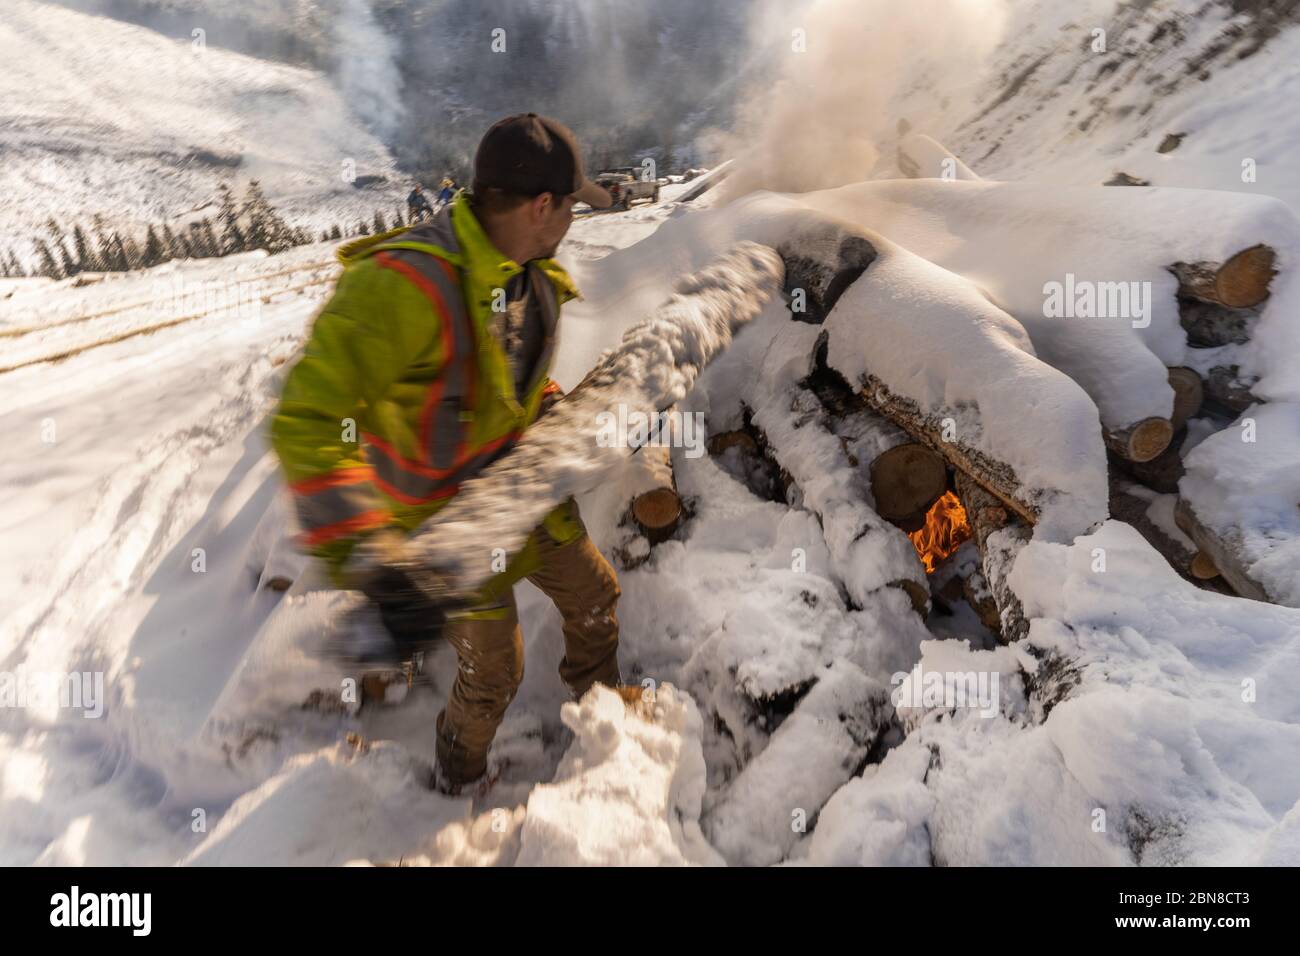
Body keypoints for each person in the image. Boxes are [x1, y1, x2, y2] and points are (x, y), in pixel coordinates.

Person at [271, 114, 628, 795]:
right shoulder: (401, 284)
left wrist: (552, 406)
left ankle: (605, 732)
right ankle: (457, 783)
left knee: (595, 600)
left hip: (527, 496)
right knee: (495, 673)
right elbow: (309, 421)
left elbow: (508, 377)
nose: (575, 222)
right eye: (572, 206)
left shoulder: (532, 274)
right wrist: (375, 563)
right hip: (446, 536)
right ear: (542, 206)